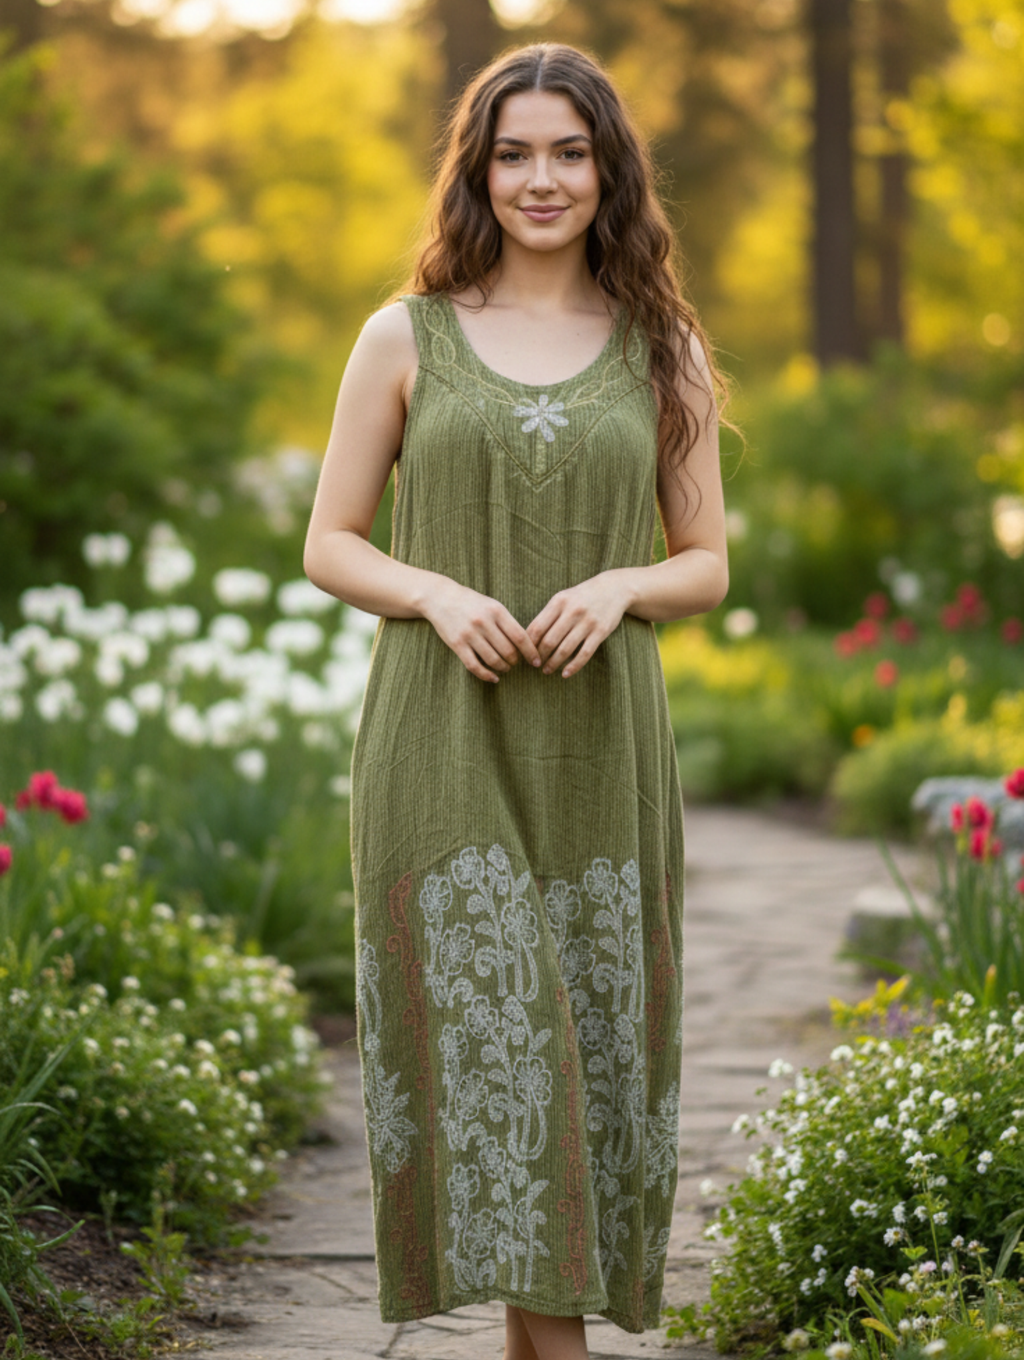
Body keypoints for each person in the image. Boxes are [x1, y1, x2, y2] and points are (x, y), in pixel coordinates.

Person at [303, 41, 729, 1360]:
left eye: (568, 151)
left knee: (585, 1061)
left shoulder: (664, 345)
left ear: (609, 171)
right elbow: (330, 539)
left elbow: (707, 562)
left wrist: (622, 588)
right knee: (501, 1055)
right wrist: (432, 594)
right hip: (441, 743)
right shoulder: (406, 335)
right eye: (513, 152)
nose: (541, 179)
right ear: (479, 172)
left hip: (600, 756)